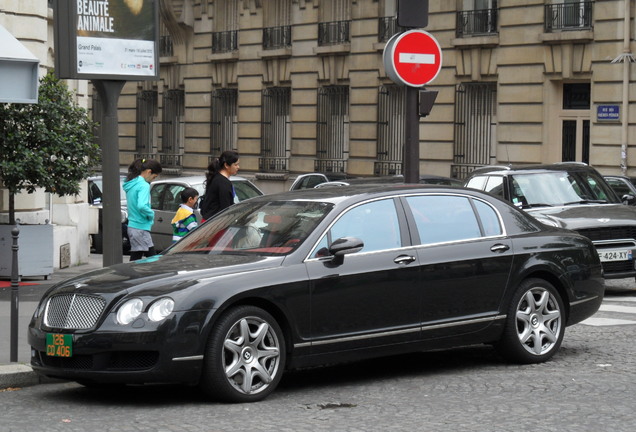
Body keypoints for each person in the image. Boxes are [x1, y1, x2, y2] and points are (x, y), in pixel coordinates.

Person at [123, 158, 162, 261]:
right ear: (149, 172)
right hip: (141, 227)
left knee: (138, 257)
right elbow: (142, 205)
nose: (153, 179)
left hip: (133, 226)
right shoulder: (143, 185)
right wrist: (151, 214)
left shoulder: (131, 183)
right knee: (151, 259)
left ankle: (132, 276)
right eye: (154, 177)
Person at [199, 150, 240, 222]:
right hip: (216, 224)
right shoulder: (223, 182)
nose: (238, 167)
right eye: (235, 165)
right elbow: (226, 208)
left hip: (208, 221)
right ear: (226, 165)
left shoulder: (215, 177)